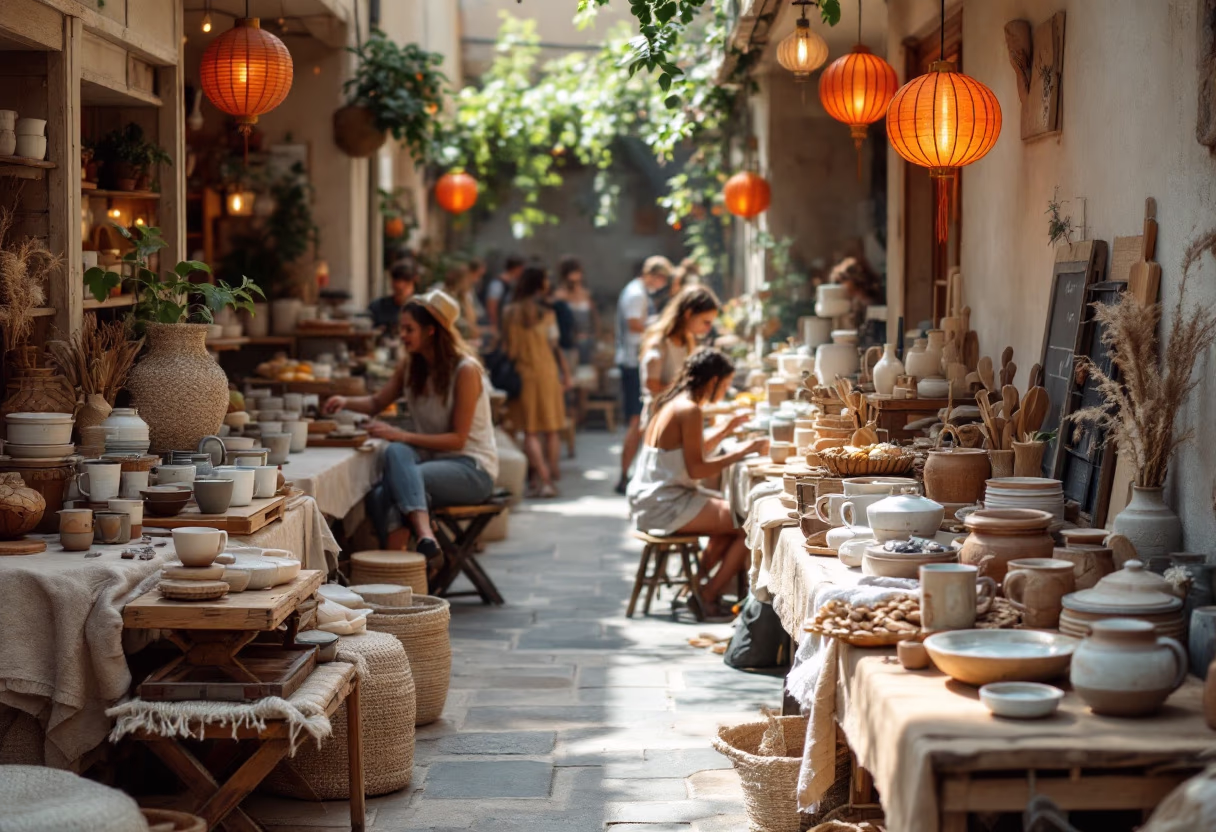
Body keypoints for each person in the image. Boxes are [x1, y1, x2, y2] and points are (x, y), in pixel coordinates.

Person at [323, 290, 498, 568]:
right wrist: (344, 401)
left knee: (389, 487)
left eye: (408, 329)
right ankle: (420, 547)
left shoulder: (466, 371)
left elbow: (458, 439)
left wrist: (401, 434)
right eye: (400, 328)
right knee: (395, 453)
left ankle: (397, 571)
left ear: (431, 331)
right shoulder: (411, 367)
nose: (401, 335)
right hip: (432, 462)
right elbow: (377, 402)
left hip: (472, 468)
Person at [627, 349, 767, 618]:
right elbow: (698, 468)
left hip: (654, 496)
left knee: (732, 518)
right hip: (663, 503)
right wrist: (743, 451)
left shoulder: (676, 402)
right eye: (725, 385)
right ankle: (707, 593)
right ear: (712, 381)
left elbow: (692, 451)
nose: (725, 392)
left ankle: (694, 589)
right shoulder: (689, 410)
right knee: (748, 523)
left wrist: (725, 430)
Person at [503, 265, 571, 498]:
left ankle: (541, 478)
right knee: (551, 429)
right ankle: (550, 476)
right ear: (539, 284)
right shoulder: (548, 313)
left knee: (530, 431)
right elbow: (555, 346)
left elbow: (509, 351)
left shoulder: (510, 313)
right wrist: (566, 373)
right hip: (548, 373)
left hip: (525, 374)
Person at [614, 255, 673, 494]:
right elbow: (633, 324)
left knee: (639, 420)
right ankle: (623, 475)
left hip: (633, 359)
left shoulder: (639, 292)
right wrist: (661, 325)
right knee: (636, 420)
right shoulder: (636, 293)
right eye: (662, 279)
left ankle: (630, 474)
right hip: (631, 361)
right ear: (653, 275)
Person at [640, 285, 720, 416]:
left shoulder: (688, 340)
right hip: (660, 418)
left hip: (677, 415)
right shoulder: (660, 343)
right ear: (688, 314)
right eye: (705, 322)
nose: (708, 328)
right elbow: (651, 384)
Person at [553, 255, 597, 366]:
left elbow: (594, 317)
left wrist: (594, 335)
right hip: (568, 346)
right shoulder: (559, 297)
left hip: (587, 342)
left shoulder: (585, 293)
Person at [369, 259, 418, 331]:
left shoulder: (421, 310)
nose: (401, 286)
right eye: (398, 289)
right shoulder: (377, 307)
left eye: (406, 284)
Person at [485, 254, 526, 335]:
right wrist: (494, 325)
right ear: (516, 268)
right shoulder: (498, 284)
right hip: (499, 326)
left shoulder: (513, 283)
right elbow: (492, 305)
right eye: (521, 269)